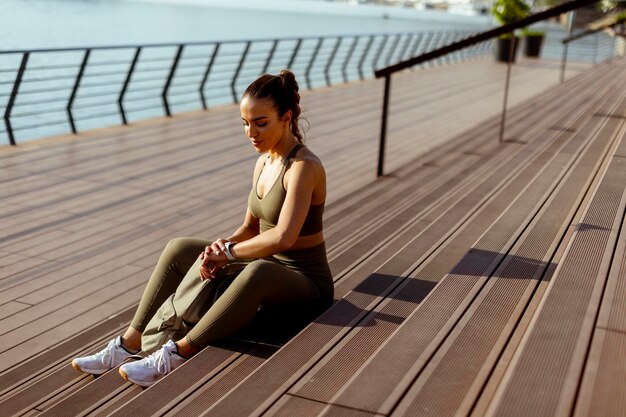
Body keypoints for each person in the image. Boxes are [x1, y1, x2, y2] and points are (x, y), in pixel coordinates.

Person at [71, 69, 333, 387]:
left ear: (286, 117)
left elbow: (282, 236)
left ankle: (177, 354)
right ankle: (130, 343)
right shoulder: (264, 162)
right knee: (180, 248)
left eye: (261, 123)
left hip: (306, 286)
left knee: (257, 271)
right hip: (265, 267)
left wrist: (230, 255)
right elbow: (251, 227)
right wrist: (219, 248)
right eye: (245, 123)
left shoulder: (304, 167)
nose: (252, 132)